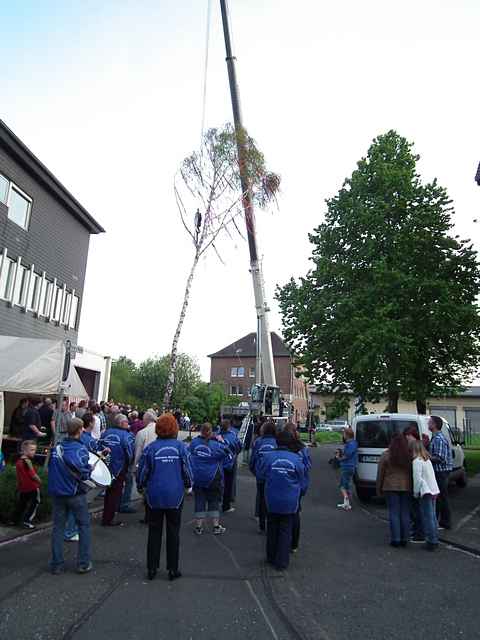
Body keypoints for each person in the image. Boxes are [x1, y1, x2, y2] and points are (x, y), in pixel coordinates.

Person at [137, 414, 192, 581]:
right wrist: (188, 485)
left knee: (154, 531)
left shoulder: (151, 448)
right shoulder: (181, 447)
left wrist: (141, 486)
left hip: (155, 494)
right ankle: (173, 569)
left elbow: (143, 471)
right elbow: (187, 470)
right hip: (175, 494)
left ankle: (152, 568)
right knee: (173, 531)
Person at [48, 418, 93, 574]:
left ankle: (57, 564)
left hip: (57, 493)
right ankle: (83, 563)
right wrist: (90, 469)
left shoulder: (57, 448)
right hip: (75, 494)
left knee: (58, 528)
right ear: (80, 430)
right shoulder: (81, 450)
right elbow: (85, 474)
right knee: (84, 526)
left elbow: (50, 468)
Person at [260, 430, 307, 571]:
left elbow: (261, 474)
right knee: (285, 529)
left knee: (272, 526)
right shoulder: (296, 459)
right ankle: (282, 562)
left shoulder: (268, 457)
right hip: (290, 499)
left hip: (272, 497)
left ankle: (270, 556)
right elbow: (302, 478)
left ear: (277, 441)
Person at [189, 422, 231, 535]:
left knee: (199, 500)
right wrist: (221, 440)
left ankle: (198, 527)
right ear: (211, 431)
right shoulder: (216, 445)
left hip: (197, 476)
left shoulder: (194, 443)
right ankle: (216, 526)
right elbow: (228, 451)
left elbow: (189, 454)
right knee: (213, 501)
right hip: (213, 477)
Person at [376, 433, 412, 547]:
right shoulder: (409, 456)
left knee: (394, 513)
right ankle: (405, 538)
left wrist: (379, 488)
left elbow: (380, 473)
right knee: (405, 513)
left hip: (390, 486)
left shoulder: (386, 455)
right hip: (406, 486)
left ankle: (395, 539)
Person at [99, 414, 135, 526]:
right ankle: (109, 518)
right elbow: (129, 452)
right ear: (121, 423)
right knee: (115, 493)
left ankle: (106, 516)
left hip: (105, 466)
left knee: (108, 492)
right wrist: (129, 464)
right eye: (126, 422)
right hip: (119, 468)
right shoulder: (126, 435)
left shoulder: (106, 432)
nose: (128, 424)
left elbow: (99, 446)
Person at [284, 422, 311, 552]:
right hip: (298, 485)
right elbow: (307, 466)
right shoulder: (302, 448)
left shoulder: (283, 447)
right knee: (295, 513)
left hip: (284, 483)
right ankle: (294, 544)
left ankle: (284, 540)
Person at [411, 440, 440, 551]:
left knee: (428, 517)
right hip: (433, 489)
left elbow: (417, 480)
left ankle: (431, 541)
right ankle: (435, 538)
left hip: (425, 491)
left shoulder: (416, 461)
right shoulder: (427, 460)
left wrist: (415, 492)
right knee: (432, 516)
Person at [249, 420, 277, 533]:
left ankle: (261, 525)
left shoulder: (258, 442)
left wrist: (255, 471)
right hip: (274, 475)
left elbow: (253, 459)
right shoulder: (277, 442)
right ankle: (271, 523)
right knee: (272, 499)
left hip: (261, 475)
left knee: (261, 499)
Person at [428, 415, 453, 530]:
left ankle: (445, 522)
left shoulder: (438, 439)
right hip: (439, 472)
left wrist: (427, 457)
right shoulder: (435, 437)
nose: (428, 424)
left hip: (441, 472)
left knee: (442, 497)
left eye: (430, 422)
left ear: (435, 425)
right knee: (440, 497)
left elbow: (440, 458)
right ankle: (441, 521)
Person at [11, 440, 41, 529]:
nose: (34, 452)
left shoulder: (18, 461)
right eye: (31, 450)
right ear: (24, 451)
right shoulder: (27, 461)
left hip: (23, 487)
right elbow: (33, 474)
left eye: (34, 450)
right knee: (35, 502)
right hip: (32, 487)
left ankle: (14, 520)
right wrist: (39, 481)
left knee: (22, 503)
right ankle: (27, 521)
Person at [220, 419, 242, 513]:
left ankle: (215, 501)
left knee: (218, 483)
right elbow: (239, 446)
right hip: (229, 463)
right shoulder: (233, 436)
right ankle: (226, 506)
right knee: (228, 484)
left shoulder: (217, 434)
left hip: (218, 463)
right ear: (229, 427)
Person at [336, 427, 358, 511]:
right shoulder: (353, 443)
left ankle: (347, 502)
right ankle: (346, 503)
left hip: (347, 466)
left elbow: (347, 455)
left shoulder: (351, 444)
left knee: (343, 485)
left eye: (344, 434)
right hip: (350, 466)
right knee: (346, 484)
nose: (343, 435)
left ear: (347, 435)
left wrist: (338, 457)